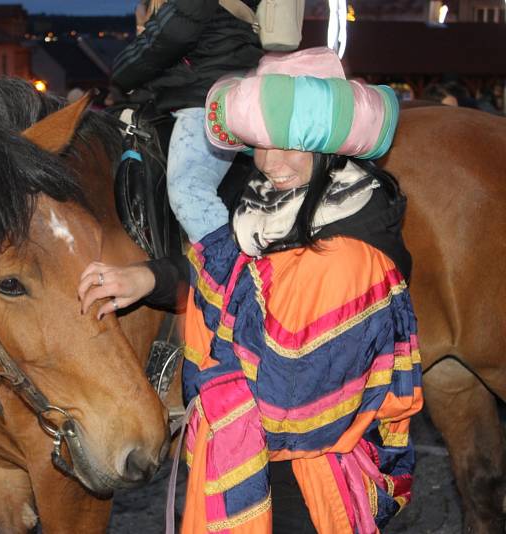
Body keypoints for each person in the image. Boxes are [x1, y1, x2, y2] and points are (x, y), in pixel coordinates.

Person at [80, 48, 423, 532]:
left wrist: (202, 383)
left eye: (289, 146)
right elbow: (235, 273)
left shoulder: (347, 260)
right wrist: (150, 278)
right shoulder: (279, 208)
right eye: (260, 144)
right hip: (269, 471)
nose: (269, 163)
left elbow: (288, 410)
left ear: (329, 147)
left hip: (299, 491)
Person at [111, 0, 263, 227]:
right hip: (220, 85)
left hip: (207, 97)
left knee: (189, 190)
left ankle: (227, 262)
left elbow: (168, 38)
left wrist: (121, 72)